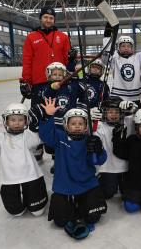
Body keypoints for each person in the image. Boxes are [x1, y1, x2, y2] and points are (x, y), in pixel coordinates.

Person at [34, 98, 107, 240]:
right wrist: (48, 116)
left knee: (93, 218)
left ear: (86, 125)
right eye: (73, 123)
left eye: (81, 123)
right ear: (66, 124)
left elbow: (100, 160)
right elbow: (46, 135)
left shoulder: (90, 140)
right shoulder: (59, 138)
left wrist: (98, 150)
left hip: (87, 185)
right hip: (64, 185)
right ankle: (73, 205)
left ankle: (81, 204)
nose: (77, 126)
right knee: (60, 221)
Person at [0, 103, 48, 217]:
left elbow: (38, 140)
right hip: (9, 180)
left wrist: (36, 125)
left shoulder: (27, 135)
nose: (17, 123)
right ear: (6, 121)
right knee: (16, 212)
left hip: (32, 177)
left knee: (38, 211)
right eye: (12, 119)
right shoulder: (0, 138)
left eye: (21, 119)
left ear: (26, 121)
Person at [20, 7, 71, 161]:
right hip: (39, 83)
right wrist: (25, 81)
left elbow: (68, 60)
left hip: (58, 83)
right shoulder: (31, 37)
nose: (48, 20)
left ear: (54, 20)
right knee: (37, 115)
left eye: (51, 18)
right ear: (41, 18)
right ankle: (37, 146)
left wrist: (72, 57)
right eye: (46, 17)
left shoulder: (62, 37)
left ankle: (55, 146)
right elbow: (27, 60)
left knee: (57, 114)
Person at [38, 62, 83, 173]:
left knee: (68, 142)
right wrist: (52, 88)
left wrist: (80, 77)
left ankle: (70, 161)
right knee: (56, 144)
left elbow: (82, 90)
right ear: (49, 75)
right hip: (55, 122)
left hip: (68, 122)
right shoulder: (46, 88)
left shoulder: (70, 86)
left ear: (65, 75)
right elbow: (45, 95)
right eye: (54, 74)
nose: (57, 77)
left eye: (60, 74)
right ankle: (57, 162)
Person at [102, 22, 141, 106]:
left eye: (128, 46)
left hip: (135, 97)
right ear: (118, 48)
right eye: (123, 46)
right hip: (118, 96)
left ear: (132, 48)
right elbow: (107, 55)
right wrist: (107, 36)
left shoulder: (138, 57)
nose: (126, 48)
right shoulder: (115, 58)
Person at [94, 96, 136, 199]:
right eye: (110, 112)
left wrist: (133, 107)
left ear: (122, 113)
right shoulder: (100, 126)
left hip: (126, 169)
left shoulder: (128, 122)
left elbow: (139, 116)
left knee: (127, 194)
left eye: (117, 112)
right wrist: (90, 117)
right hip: (107, 169)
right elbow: (88, 131)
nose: (114, 115)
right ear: (104, 113)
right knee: (107, 193)